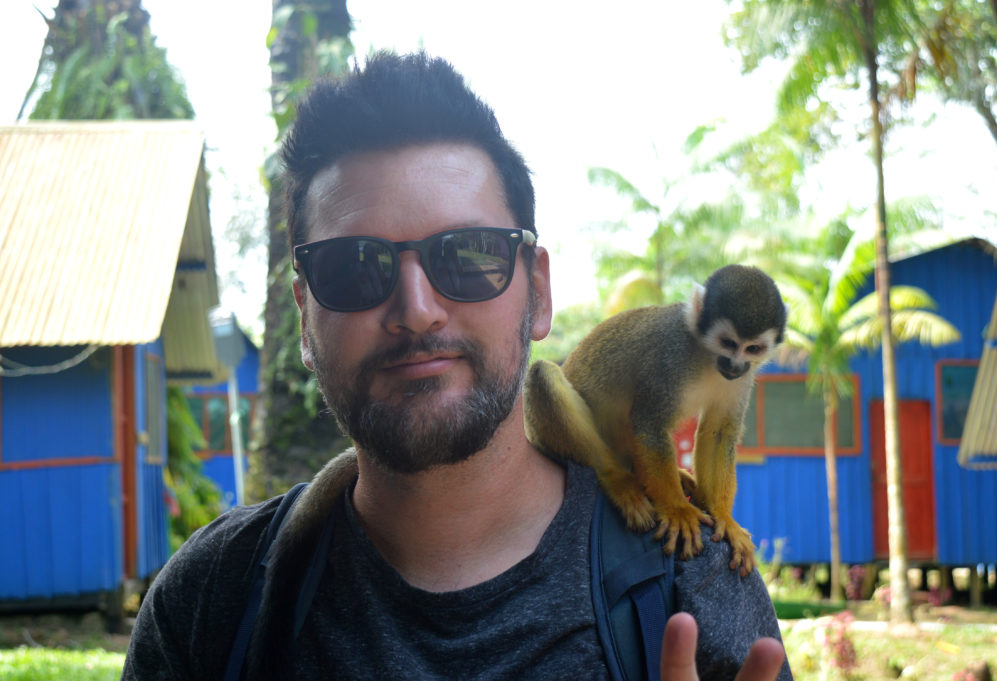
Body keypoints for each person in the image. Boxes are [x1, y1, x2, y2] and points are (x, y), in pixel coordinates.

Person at [122, 51, 792, 681]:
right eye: (355, 267)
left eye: (468, 256)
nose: (416, 311)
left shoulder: (689, 580)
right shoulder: (212, 600)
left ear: (538, 293)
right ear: (303, 314)